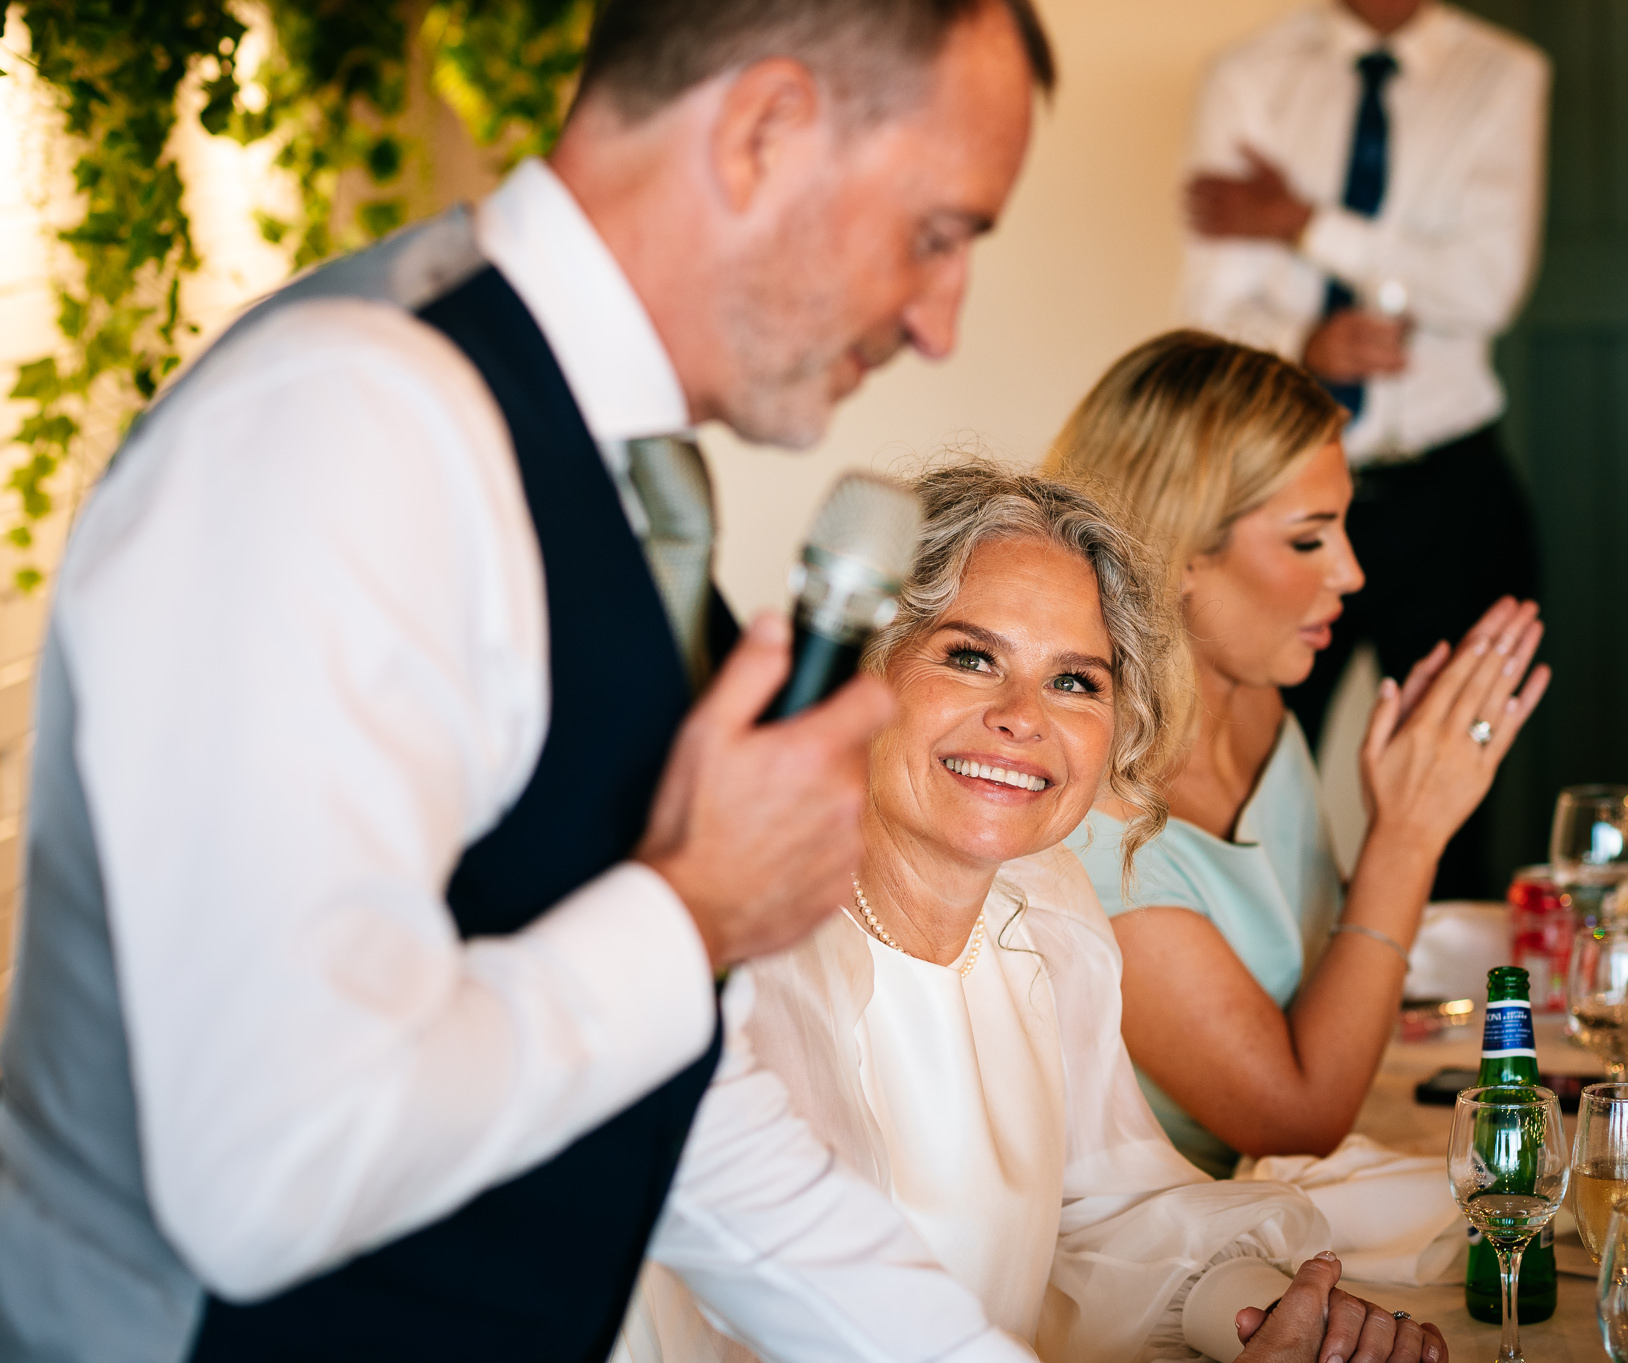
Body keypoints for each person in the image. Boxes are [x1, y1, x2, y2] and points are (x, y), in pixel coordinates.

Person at [0, 2, 1080, 1360]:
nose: (941, 324)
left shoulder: (614, 473)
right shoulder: (349, 426)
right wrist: (691, 910)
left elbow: (669, 1100)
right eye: (937, 235)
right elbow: (269, 1165)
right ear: (763, 132)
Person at [620, 464, 1452, 1363]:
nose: (1022, 717)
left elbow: (1106, 1215)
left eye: (1075, 682)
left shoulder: (1047, 905)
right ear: (867, 675)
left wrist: (1272, 1321)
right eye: (971, 657)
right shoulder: (760, 966)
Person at [1048, 331, 1548, 1179]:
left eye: (1345, 525)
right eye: (1310, 539)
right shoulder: (1088, 821)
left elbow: (1326, 968)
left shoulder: (1256, 701)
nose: (1352, 573)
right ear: (1178, 557)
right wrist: (1408, 833)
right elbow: (1298, 1114)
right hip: (1179, 1252)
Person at [1178, 0, 1549, 897]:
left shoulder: (1504, 75)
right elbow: (1207, 309)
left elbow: (1486, 287)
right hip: (1273, 495)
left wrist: (1304, 221)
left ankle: (1453, 1030)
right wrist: (1304, 342)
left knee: (1453, 784)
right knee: (1243, 779)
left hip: (1446, 487)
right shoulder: (1247, 78)